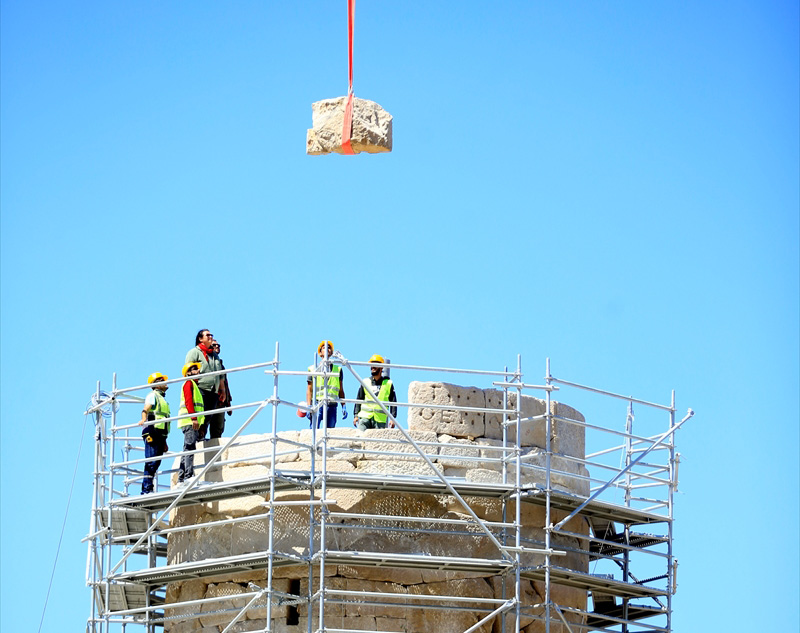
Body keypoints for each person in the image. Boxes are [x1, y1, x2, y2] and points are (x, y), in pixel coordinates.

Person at [185, 329, 224, 440]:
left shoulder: (215, 356)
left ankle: (201, 437)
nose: (210, 337)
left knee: (208, 417)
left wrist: (223, 390)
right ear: (200, 338)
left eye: (211, 335)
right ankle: (197, 440)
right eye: (208, 335)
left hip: (214, 391)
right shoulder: (194, 352)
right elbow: (187, 369)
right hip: (200, 389)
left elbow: (220, 375)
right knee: (200, 417)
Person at [138, 372, 171, 494]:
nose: (165, 382)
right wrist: (143, 419)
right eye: (162, 380)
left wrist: (164, 441)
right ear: (156, 384)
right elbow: (145, 409)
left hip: (160, 433)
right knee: (151, 460)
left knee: (156, 461)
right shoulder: (153, 395)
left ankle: (148, 487)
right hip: (152, 431)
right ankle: (146, 490)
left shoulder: (162, 398)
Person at [306, 340, 346, 428]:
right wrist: (308, 405)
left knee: (330, 432)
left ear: (331, 352)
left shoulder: (337, 369)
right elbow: (309, 389)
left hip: (332, 404)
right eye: (324, 348)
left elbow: (341, 390)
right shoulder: (313, 369)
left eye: (329, 348)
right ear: (320, 352)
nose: (327, 349)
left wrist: (343, 405)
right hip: (317, 403)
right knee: (314, 429)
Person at [177, 362, 205, 484]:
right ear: (188, 373)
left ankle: (182, 477)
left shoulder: (193, 385)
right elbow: (189, 401)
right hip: (189, 421)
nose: (197, 371)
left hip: (190, 422)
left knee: (187, 448)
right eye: (194, 369)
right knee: (190, 448)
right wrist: (194, 418)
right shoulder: (189, 383)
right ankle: (188, 476)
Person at [353, 354, 397, 430]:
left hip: (379, 419)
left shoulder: (388, 383)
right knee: (360, 437)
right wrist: (356, 415)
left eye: (375, 364)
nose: (372, 367)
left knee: (377, 441)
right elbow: (359, 399)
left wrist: (392, 418)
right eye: (371, 365)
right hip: (365, 417)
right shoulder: (365, 382)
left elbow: (393, 402)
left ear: (381, 367)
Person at [211, 339, 233, 420]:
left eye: (218, 345)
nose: (217, 346)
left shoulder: (221, 365)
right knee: (204, 426)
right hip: (210, 399)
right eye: (214, 345)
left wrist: (228, 403)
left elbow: (225, 384)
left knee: (218, 428)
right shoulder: (207, 363)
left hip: (221, 401)